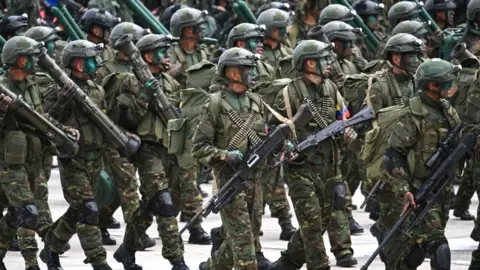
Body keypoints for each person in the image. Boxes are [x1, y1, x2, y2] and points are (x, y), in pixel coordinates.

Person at [269, 40, 358, 270]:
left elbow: (344, 116)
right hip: (301, 169)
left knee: (322, 221)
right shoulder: (288, 94)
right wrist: (287, 148)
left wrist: (347, 129)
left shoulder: (331, 89)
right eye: (323, 59)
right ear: (309, 63)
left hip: (330, 167)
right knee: (311, 223)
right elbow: (273, 133)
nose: (329, 63)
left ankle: (288, 261)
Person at [378, 58, 460, 270]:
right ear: (432, 85)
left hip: (442, 190)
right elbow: (393, 155)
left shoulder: (447, 110)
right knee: (439, 247)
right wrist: (404, 191)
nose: (451, 86)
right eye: (446, 82)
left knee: (419, 248)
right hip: (420, 191)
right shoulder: (413, 114)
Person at [195, 47, 271, 270]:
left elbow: (263, 138)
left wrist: (280, 145)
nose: (254, 73)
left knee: (244, 238)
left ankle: (212, 267)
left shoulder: (256, 102)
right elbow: (199, 148)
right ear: (234, 73)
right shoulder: (214, 104)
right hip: (230, 182)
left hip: (255, 182)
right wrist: (224, 155)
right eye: (248, 69)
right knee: (245, 248)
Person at [40, 39, 112, 270]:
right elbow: (46, 121)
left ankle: (51, 246)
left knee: (78, 210)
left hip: (96, 158)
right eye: (91, 59)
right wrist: (62, 100)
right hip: (73, 161)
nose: (96, 63)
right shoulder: (57, 90)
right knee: (88, 210)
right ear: (79, 64)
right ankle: (99, 262)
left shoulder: (96, 89)